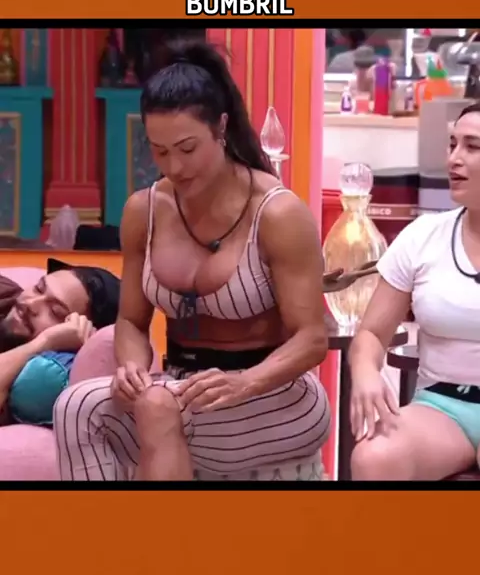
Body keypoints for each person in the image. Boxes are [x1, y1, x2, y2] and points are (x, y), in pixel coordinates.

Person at [54, 39, 331, 481]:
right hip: (181, 386)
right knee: (75, 407)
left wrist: (244, 382)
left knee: (160, 408)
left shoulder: (277, 213)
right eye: (159, 151)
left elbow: (312, 339)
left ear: (221, 127)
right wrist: (131, 366)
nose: (174, 167)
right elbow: (131, 321)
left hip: (274, 393)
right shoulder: (143, 210)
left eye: (187, 148)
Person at [349, 102, 480, 481]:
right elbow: (372, 334)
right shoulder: (423, 236)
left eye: (472, 147)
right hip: (443, 408)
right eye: (452, 144)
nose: (454, 159)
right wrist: (365, 372)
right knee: (374, 457)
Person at [0, 258, 120, 420]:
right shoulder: (4, 294)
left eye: (55, 311)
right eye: (38, 288)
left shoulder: (38, 376)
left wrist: (44, 342)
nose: (30, 303)